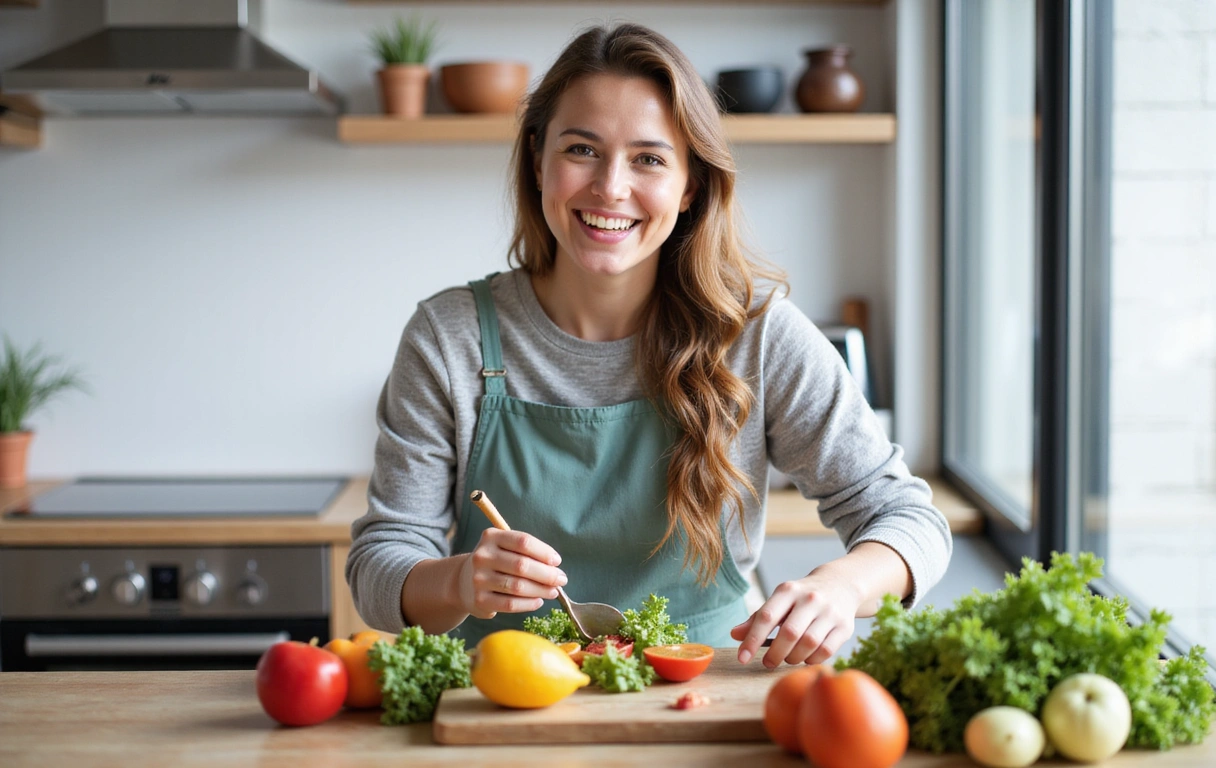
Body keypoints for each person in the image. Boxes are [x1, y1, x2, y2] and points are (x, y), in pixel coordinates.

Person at [347, 22, 952, 669]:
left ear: (689, 184)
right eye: (582, 149)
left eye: (649, 158)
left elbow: (908, 517)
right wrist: (457, 581)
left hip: (706, 696)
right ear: (537, 158)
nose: (610, 187)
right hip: (502, 702)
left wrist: (843, 585)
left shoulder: (757, 336)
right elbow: (380, 562)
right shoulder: (450, 336)